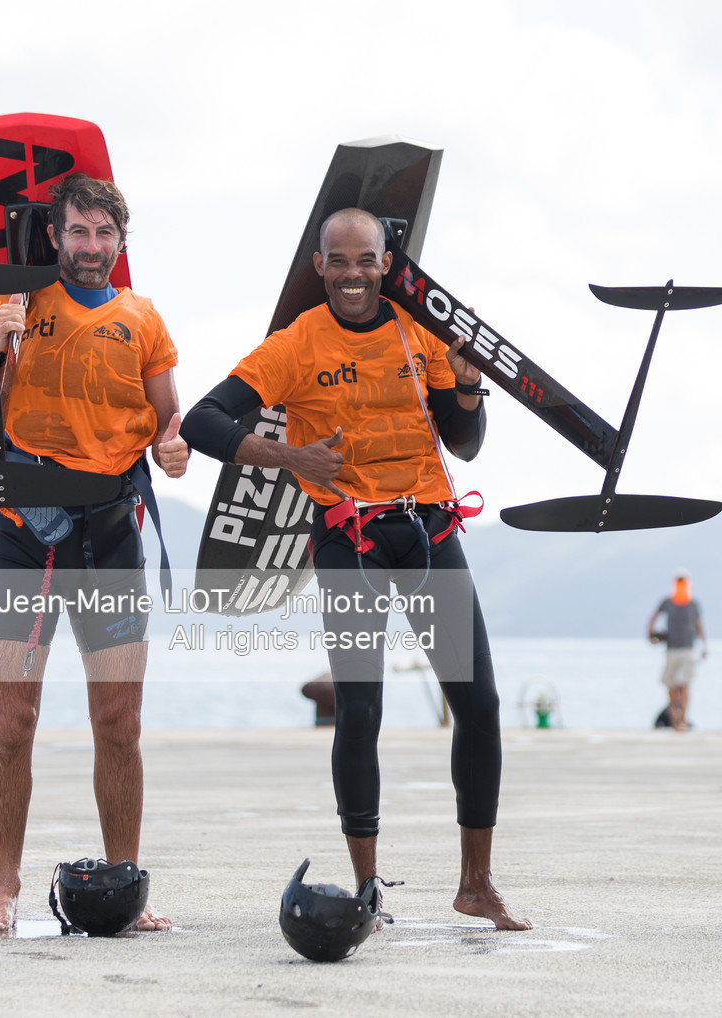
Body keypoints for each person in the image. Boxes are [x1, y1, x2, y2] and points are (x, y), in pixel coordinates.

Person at [180, 207, 530, 930]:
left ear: (385, 263)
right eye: (338, 261)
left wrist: (465, 386)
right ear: (320, 266)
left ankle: (477, 883)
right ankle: (369, 891)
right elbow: (204, 421)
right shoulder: (297, 343)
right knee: (361, 710)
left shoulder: (416, 330)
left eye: (364, 261)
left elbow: (463, 444)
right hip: (351, 540)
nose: (351, 274)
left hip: (429, 529)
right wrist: (290, 457)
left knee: (481, 705)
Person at [0, 173, 187, 933]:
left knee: (119, 722)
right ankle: (2, 888)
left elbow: (170, 421)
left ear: (120, 242)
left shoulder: (143, 318)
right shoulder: (13, 303)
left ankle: (127, 884)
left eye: (105, 235)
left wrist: (173, 451)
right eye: (78, 232)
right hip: (21, 535)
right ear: (54, 234)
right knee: (11, 722)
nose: (91, 248)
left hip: (109, 535)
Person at [646, 569, 705, 731]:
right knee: (672, 686)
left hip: (687, 649)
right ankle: (674, 717)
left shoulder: (692, 604)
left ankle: (682, 720)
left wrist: (704, 645)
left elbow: (698, 625)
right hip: (672, 649)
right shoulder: (668, 602)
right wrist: (650, 633)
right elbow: (652, 618)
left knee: (684, 685)